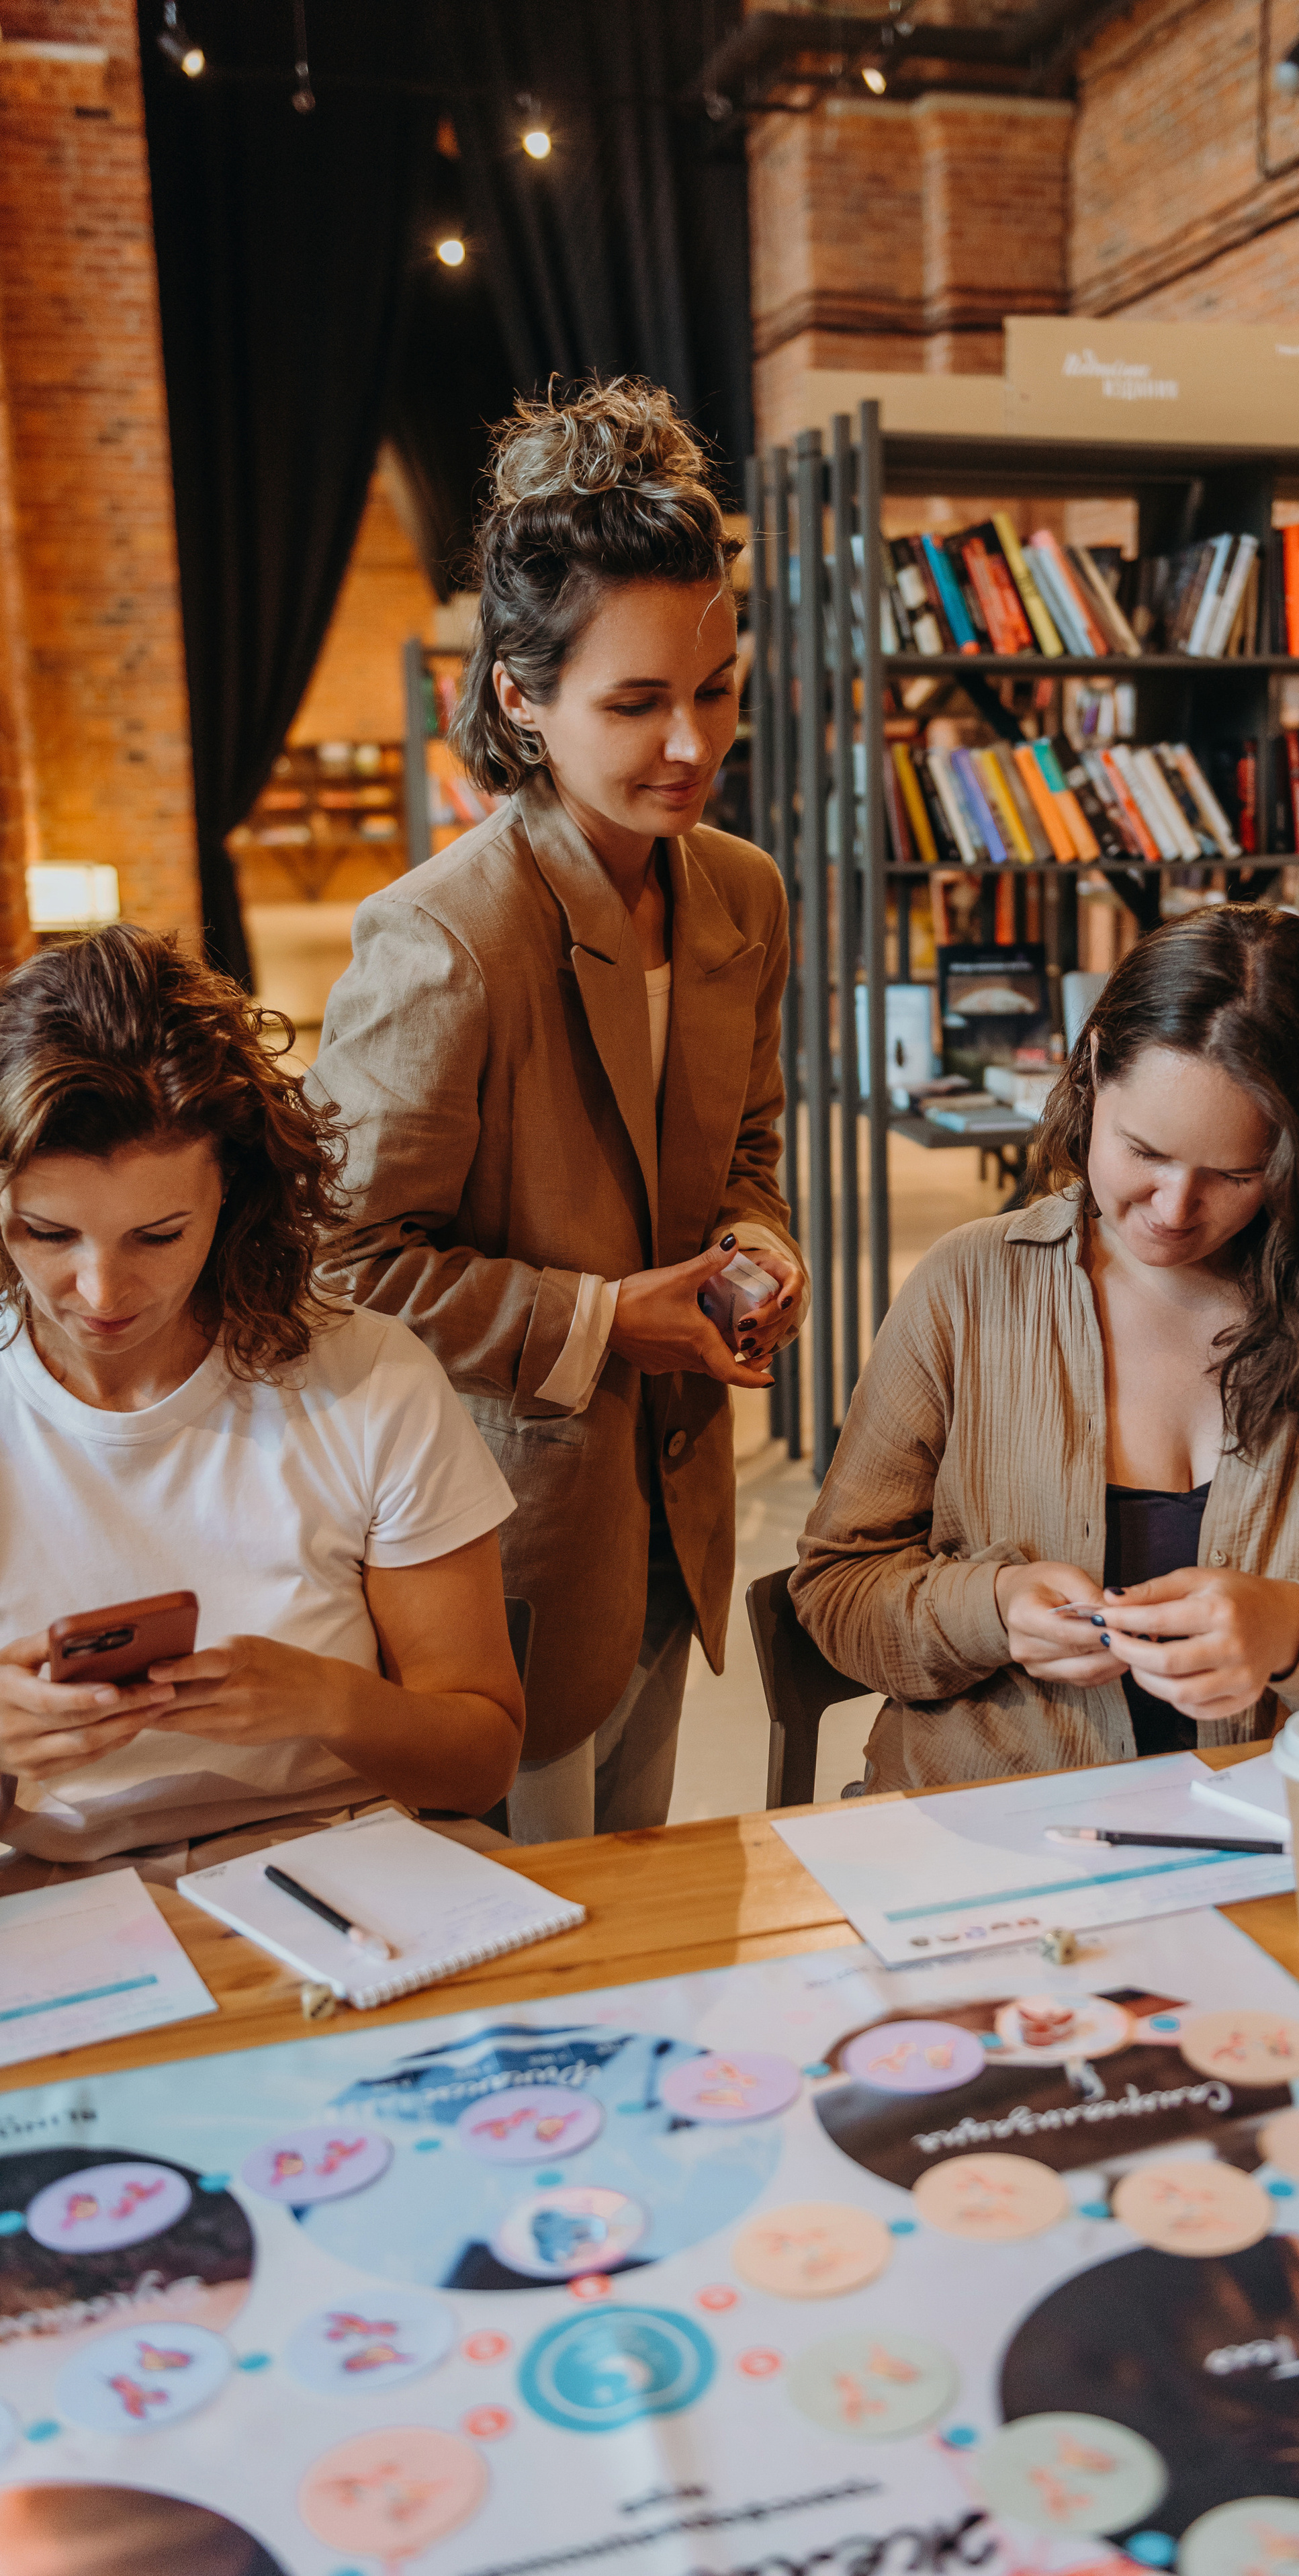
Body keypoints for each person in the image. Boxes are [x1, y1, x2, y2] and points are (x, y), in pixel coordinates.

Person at [308, 378, 803, 1840]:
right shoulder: (444, 938)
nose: (688, 749)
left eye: (712, 693)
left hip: (675, 1500)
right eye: (635, 705)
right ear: (520, 699)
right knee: (530, 1945)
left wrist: (754, 1250)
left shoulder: (741, 892)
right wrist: (603, 1323)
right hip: (497, 1534)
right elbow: (337, 1261)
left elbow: (747, 1149)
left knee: (646, 1904)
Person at [792, 904, 1299, 1790]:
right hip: (998, 1828)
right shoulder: (969, 1287)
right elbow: (837, 1590)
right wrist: (989, 1609)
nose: (1174, 1208)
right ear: (1094, 1069)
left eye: (1235, 1173)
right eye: (1142, 1150)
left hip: (1290, 1826)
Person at [0, 927, 525, 1888]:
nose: (101, 1290)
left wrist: (330, 1701)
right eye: (47, 1232)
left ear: (234, 1191)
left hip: (350, 1856)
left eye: (158, 1235)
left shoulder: (366, 1376)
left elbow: (481, 1759)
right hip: (61, 1891)